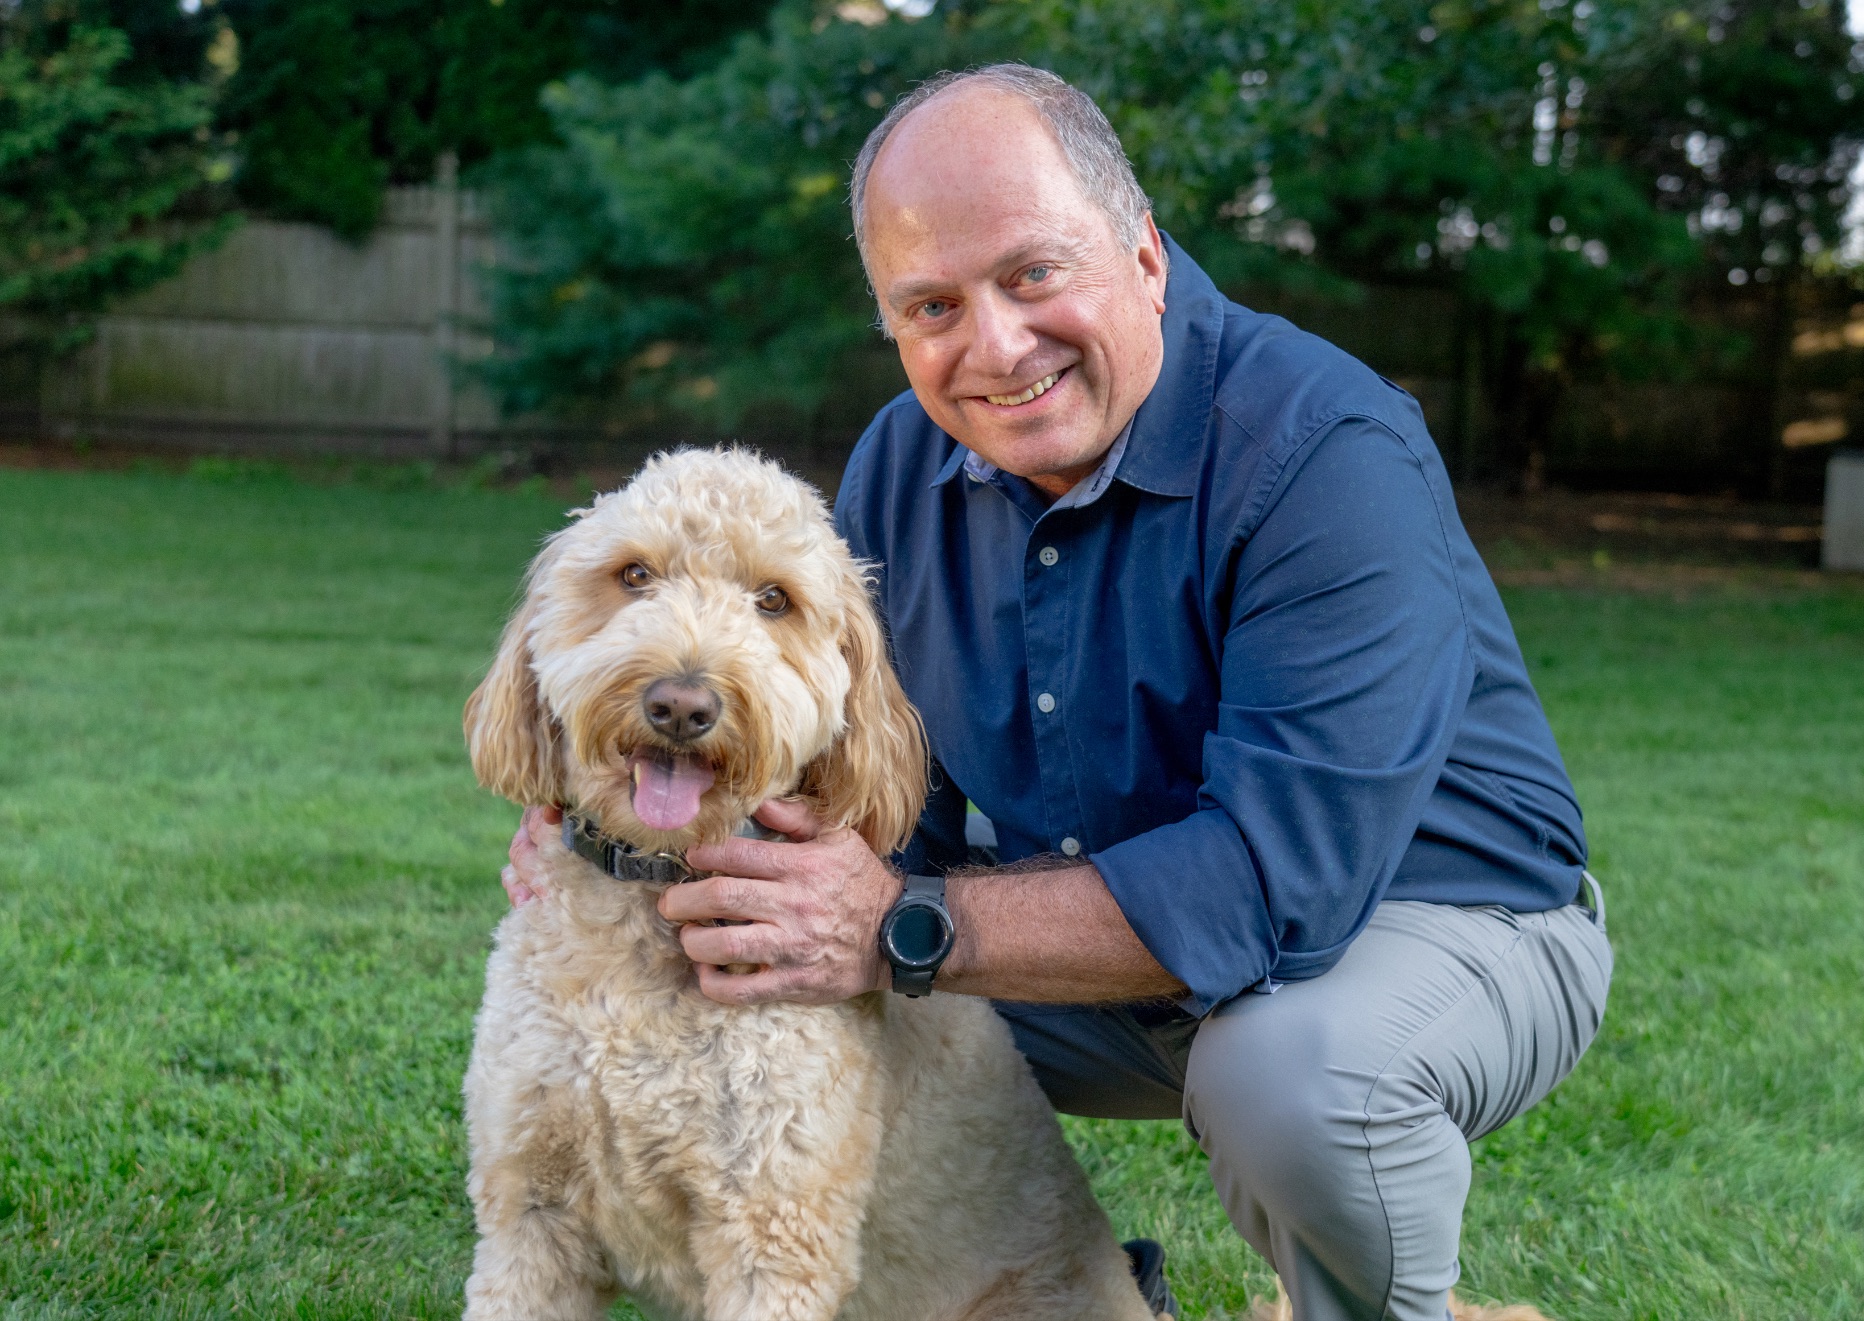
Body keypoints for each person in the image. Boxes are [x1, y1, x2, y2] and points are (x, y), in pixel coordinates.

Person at [501, 63, 1611, 1321]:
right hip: (1090, 933)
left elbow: (1272, 889)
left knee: (1287, 1074)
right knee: (788, 1020)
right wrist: (616, 821)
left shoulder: (1323, 452)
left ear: (1142, 251)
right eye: (929, 305)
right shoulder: (903, 466)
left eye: (1032, 273)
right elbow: (855, 787)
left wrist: (899, 928)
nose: (993, 345)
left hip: (1418, 924)